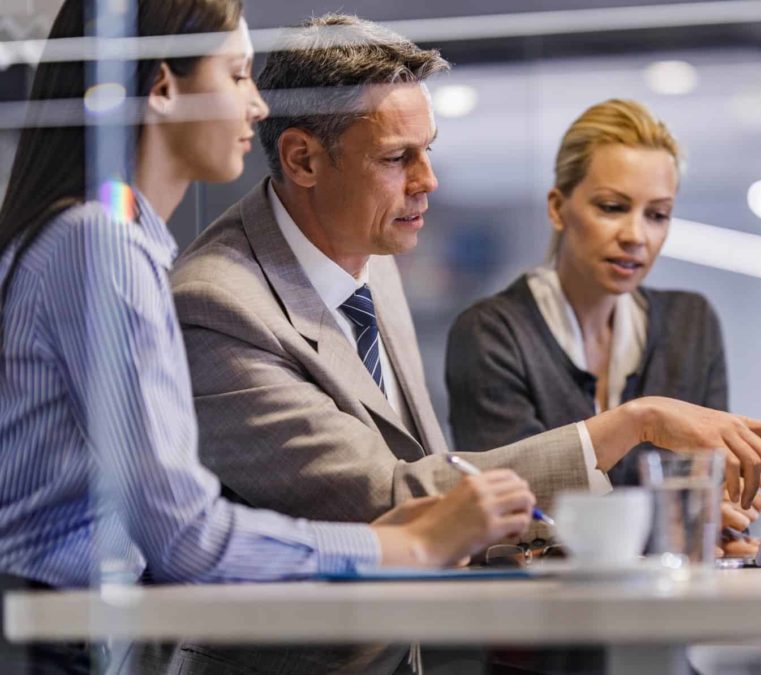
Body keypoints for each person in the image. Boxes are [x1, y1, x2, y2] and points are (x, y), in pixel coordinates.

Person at [0, 2, 534, 672]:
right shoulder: (101, 246)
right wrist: (398, 546)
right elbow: (187, 537)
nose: (257, 105)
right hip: (52, 642)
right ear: (164, 88)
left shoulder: (115, 239)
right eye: (237, 75)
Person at [170, 15, 761, 539]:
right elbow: (383, 496)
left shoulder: (371, 255)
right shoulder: (217, 306)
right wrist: (631, 422)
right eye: (396, 158)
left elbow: (432, 474)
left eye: (427, 151)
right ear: (302, 159)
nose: (427, 181)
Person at [445, 99, 761, 553]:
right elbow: (520, 518)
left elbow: (707, 498)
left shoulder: (690, 326)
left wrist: (725, 525)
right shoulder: (492, 334)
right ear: (558, 208)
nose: (636, 235)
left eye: (657, 214)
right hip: (545, 610)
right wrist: (678, 525)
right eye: (613, 207)